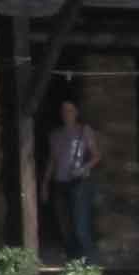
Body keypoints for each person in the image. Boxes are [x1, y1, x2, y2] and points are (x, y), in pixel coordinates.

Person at [44, 95, 102, 262]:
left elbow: (97, 155)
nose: (66, 113)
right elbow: (52, 161)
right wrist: (45, 184)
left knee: (80, 227)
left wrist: (84, 168)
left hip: (79, 183)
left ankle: (91, 265)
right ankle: (73, 264)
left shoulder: (84, 131)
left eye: (69, 110)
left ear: (76, 112)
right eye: (63, 110)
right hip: (60, 183)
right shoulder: (55, 135)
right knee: (65, 228)